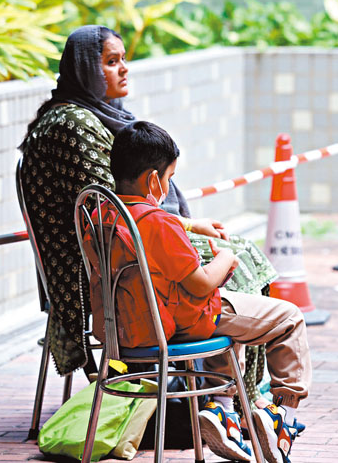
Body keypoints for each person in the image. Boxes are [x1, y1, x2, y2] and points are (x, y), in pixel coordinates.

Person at [18, 25, 277, 402]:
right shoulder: (72, 123)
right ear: (85, 69)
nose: (124, 68)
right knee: (236, 259)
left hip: (123, 244)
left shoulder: (98, 114)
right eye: (111, 61)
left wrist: (188, 225)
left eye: (124, 59)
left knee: (236, 249)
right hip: (102, 264)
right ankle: (223, 397)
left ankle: (214, 395)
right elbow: (115, 209)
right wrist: (186, 227)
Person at [102, 121, 309, 463]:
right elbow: (200, 283)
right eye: (169, 178)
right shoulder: (158, 222)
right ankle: (281, 417)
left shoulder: (100, 212)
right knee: (289, 318)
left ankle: (223, 412)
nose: (168, 187)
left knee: (235, 322)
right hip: (181, 322)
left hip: (130, 329)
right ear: (153, 181)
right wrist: (225, 259)